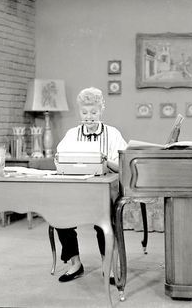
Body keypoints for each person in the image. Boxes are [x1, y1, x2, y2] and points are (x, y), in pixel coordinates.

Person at [55, 87, 127, 283]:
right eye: (84, 113)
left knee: (104, 222)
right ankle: (75, 264)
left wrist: (104, 161)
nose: (89, 117)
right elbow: (59, 159)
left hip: (103, 191)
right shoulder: (72, 134)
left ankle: (108, 265)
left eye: (93, 112)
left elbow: (122, 165)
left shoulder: (112, 134)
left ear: (101, 110)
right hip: (76, 189)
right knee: (60, 217)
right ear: (80, 112)